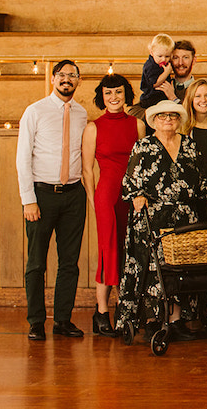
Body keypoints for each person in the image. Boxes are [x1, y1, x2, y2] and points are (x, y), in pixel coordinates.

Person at [115, 101, 207, 342]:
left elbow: (203, 177)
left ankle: (175, 321)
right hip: (152, 217)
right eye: (162, 117)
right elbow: (130, 183)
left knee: (179, 270)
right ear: (153, 121)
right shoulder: (144, 146)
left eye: (172, 116)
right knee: (155, 269)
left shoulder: (189, 144)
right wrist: (138, 196)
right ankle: (153, 320)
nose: (168, 120)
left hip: (184, 217)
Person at [16, 59, 89, 341]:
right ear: (53, 79)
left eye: (72, 75)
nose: (66, 79)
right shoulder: (35, 112)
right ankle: (36, 321)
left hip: (73, 194)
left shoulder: (81, 114)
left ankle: (62, 320)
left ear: (78, 81)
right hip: (42, 195)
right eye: (61, 75)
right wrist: (28, 199)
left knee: (69, 262)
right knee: (36, 262)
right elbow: (23, 158)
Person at [80, 73, 145, 338]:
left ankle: (126, 309)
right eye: (108, 93)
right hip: (106, 194)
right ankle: (102, 312)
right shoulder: (93, 127)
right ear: (101, 96)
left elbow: (142, 165)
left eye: (118, 92)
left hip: (133, 195)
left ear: (125, 95)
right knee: (108, 249)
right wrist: (94, 202)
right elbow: (86, 170)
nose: (114, 97)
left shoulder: (138, 124)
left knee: (130, 249)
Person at [181, 78, 207, 196]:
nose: (203, 100)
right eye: (197, 96)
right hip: (192, 194)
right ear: (191, 99)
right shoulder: (182, 129)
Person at [139, 32, 175, 110]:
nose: (163, 59)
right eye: (160, 56)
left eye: (167, 56)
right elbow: (154, 83)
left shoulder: (162, 63)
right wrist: (167, 72)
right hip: (151, 98)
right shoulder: (151, 66)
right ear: (152, 52)